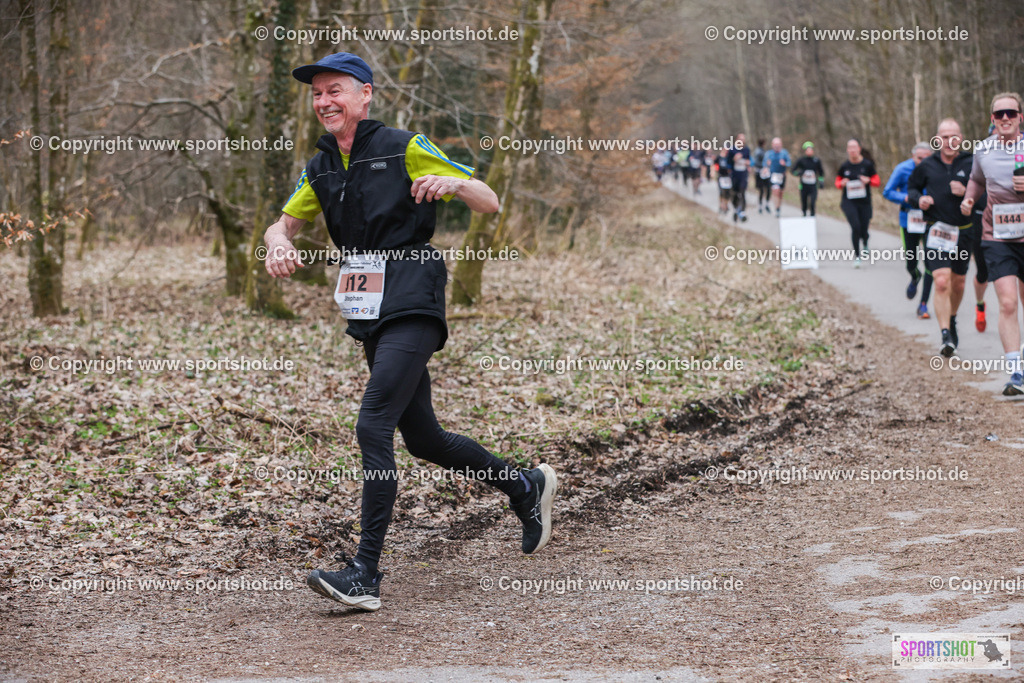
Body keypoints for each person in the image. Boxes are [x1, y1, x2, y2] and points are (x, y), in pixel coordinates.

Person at [263, 52, 558, 610]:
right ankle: (525, 485)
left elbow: (489, 201)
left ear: (365, 94)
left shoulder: (404, 146)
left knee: (373, 422)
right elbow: (283, 224)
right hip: (367, 303)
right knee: (423, 438)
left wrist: (454, 183)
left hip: (413, 291)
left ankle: (364, 574)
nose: (325, 101)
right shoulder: (321, 165)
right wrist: (278, 242)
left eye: (335, 90)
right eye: (317, 93)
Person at [961, 92, 1024, 394]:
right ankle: (1016, 373)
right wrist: (969, 198)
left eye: (1011, 112)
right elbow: (976, 179)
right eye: (999, 114)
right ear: (992, 119)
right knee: (1008, 302)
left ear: (1020, 117)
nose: (1005, 118)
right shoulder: (983, 149)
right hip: (997, 236)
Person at [907, 119, 975, 357]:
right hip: (936, 231)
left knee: (959, 283)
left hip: (964, 230)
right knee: (942, 280)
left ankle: (952, 318)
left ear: (961, 138)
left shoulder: (971, 162)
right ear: (937, 139)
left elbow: (986, 193)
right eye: (944, 137)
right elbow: (912, 189)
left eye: (953, 136)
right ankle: (945, 334)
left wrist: (966, 192)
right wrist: (919, 200)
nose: (949, 141)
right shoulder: (927, 164)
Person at [883, 142, 933, 318]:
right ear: (913, 157)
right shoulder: (902, 169)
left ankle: (923, 304)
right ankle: (915, 276)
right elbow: (887, 191)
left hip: (931, 220)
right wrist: (905, 197)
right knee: (911, 261)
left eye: (927, 158)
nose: (923, 162)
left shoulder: (936, 169)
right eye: (920, 158)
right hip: (909, 220)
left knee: (931, 262)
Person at [836, 138, 880, 267]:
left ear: (859, 149)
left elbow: (877, 181)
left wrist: (868, 181)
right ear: (847, 150)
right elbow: (837, 182)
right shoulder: (844, 166)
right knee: (855, 227)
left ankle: (865, 241)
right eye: (850, 147)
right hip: (848, 201)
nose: (852, 150)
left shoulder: (867, 165)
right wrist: (841, 183)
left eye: (854, 147)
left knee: (863, 228)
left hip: (864, 202)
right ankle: (857, 256)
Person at [791, 141, 824, 217]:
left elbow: (821, 172)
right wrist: (799, 173)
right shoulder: (801, 160)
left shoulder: (816, 160)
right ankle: (804, 212)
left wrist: (821, 181)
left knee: (812, 201)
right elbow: (792, 171)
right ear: (805, 151)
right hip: (803, 185)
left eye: (811, 150)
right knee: (804, 201)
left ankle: (812, 214)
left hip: (813, 184)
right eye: (808, 150)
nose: (809, 151)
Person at [763, 137, 790, 217]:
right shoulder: (769, 153)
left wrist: (784, 163)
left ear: (781, 145)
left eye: (778, 144)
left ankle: (778, 207)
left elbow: (789, 163)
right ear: (772, 145)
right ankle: (776, 207)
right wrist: (766, 167)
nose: (777, 146)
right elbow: (764, 163)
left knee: (780, 193)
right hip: (773, 175)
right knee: (776, 190)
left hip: (782, 175)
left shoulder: (784, 153)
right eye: (775, 144)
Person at [729, 133, 751, 222]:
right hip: (734, 175)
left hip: (743, 175)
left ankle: (742, 211)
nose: (742, 141)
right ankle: (736, 209)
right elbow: (728, 163)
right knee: (735, 193)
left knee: (742, 192)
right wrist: (734, 159)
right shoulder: (732, 150)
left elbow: (749, 161)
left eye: (743, 140)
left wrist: (748, 163)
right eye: (740, 140)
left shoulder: (746, 150)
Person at [752, 138, 770, 213]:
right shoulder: (758, 152)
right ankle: (760, 205)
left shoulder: (763, 151)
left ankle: (766, 204)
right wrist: (764, 166)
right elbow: (756, 163)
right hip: (760, 172)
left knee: (767, 189)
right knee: (762, 190)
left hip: (765, 172)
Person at [715, 147, 732, 215]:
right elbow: (715, 165)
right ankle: (721, 205)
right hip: (721, 176)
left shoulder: (729, 157)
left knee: (727, 192)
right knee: (721, 192)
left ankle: (726, 205)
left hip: (728, 177)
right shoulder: (719, 157)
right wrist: (715, 171)